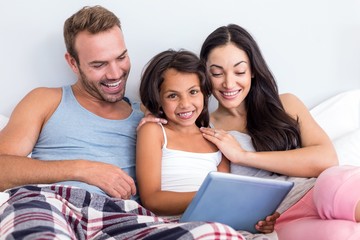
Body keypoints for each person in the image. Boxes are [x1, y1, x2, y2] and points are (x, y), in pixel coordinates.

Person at [0, 6, 246, 239]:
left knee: (215, 234)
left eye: (121, 58)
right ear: (73, 62)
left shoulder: (151, 118)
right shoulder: (46, 100)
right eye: (99, 64)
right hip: (52, 203)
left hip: (124, 217)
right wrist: (83, 169)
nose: (115, 73)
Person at [198, 23, 360, 240]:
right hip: (281, 220)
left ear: (253, 71)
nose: (229, 83)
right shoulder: (206, 130)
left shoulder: (285, 104)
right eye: (217, 73)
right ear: (204, 76)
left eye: (239, 71)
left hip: (317, 190)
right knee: (342, 235)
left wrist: (243, 156)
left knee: (335, 188)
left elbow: (326, 159)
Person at [137, 49, 279, 234]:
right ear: (158, 99)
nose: (185, 104)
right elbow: (152, 199)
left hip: (214, 226)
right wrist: (209, 197)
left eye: (193, 92)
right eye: (173, 95)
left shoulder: (216, 141)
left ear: (204, 93)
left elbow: (226, 206)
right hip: (171, 224)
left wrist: (258, 220)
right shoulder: (154, 131)